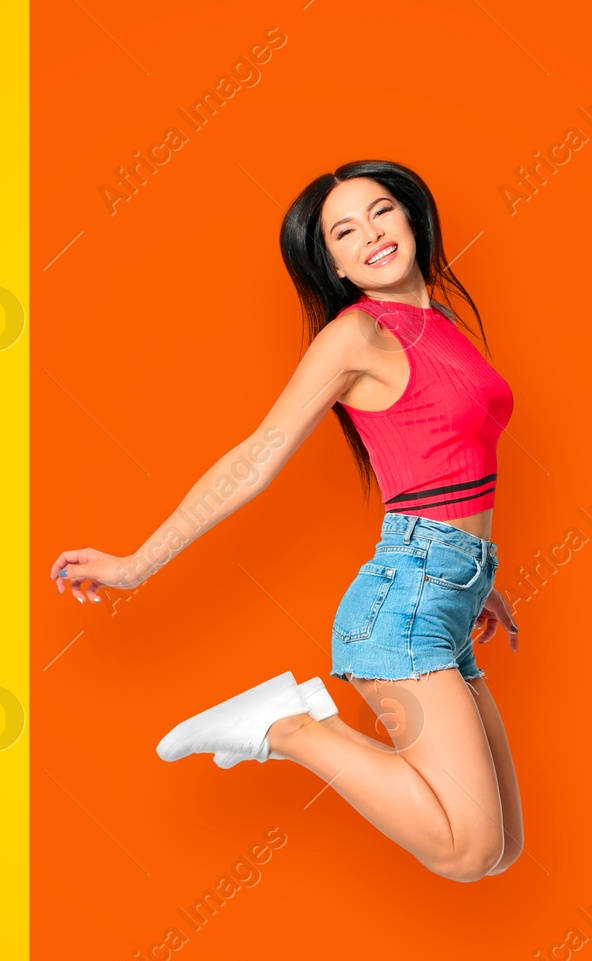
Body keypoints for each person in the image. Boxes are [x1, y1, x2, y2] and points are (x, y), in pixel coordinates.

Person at [53, 160, 523, 882]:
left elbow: (443, 459)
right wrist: (133, 563)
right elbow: (255, 456)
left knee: (501, 849)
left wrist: (474, 571)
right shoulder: (356, 335)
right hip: (401, 611)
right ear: (331, 261)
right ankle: (292, 727)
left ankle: (296, 722)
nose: (370, 234)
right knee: (465, 852)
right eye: (345, 230)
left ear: (412, 218)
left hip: (444, 592)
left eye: (381, 212)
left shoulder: (442, 323)